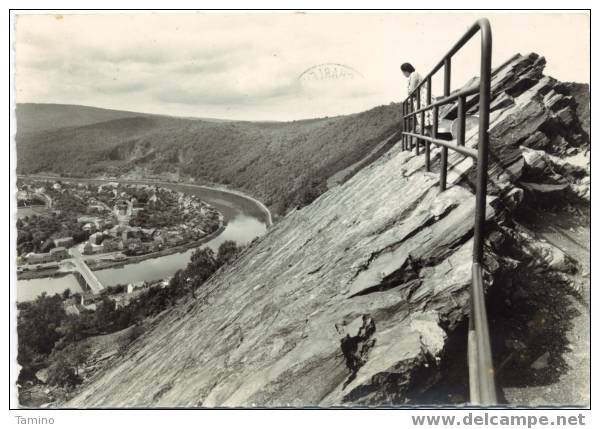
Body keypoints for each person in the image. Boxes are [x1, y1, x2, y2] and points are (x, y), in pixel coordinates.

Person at [401, 62, 432, 133]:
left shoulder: (414, 74)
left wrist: (409, 92)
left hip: (422, 99)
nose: (403, 74)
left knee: (427, 121)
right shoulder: (413, 75)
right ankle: (433, 141)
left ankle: (434, 141)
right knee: (425, 122)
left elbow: (411, 90)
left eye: (403, 72)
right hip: (420, 99)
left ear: (406, 71)